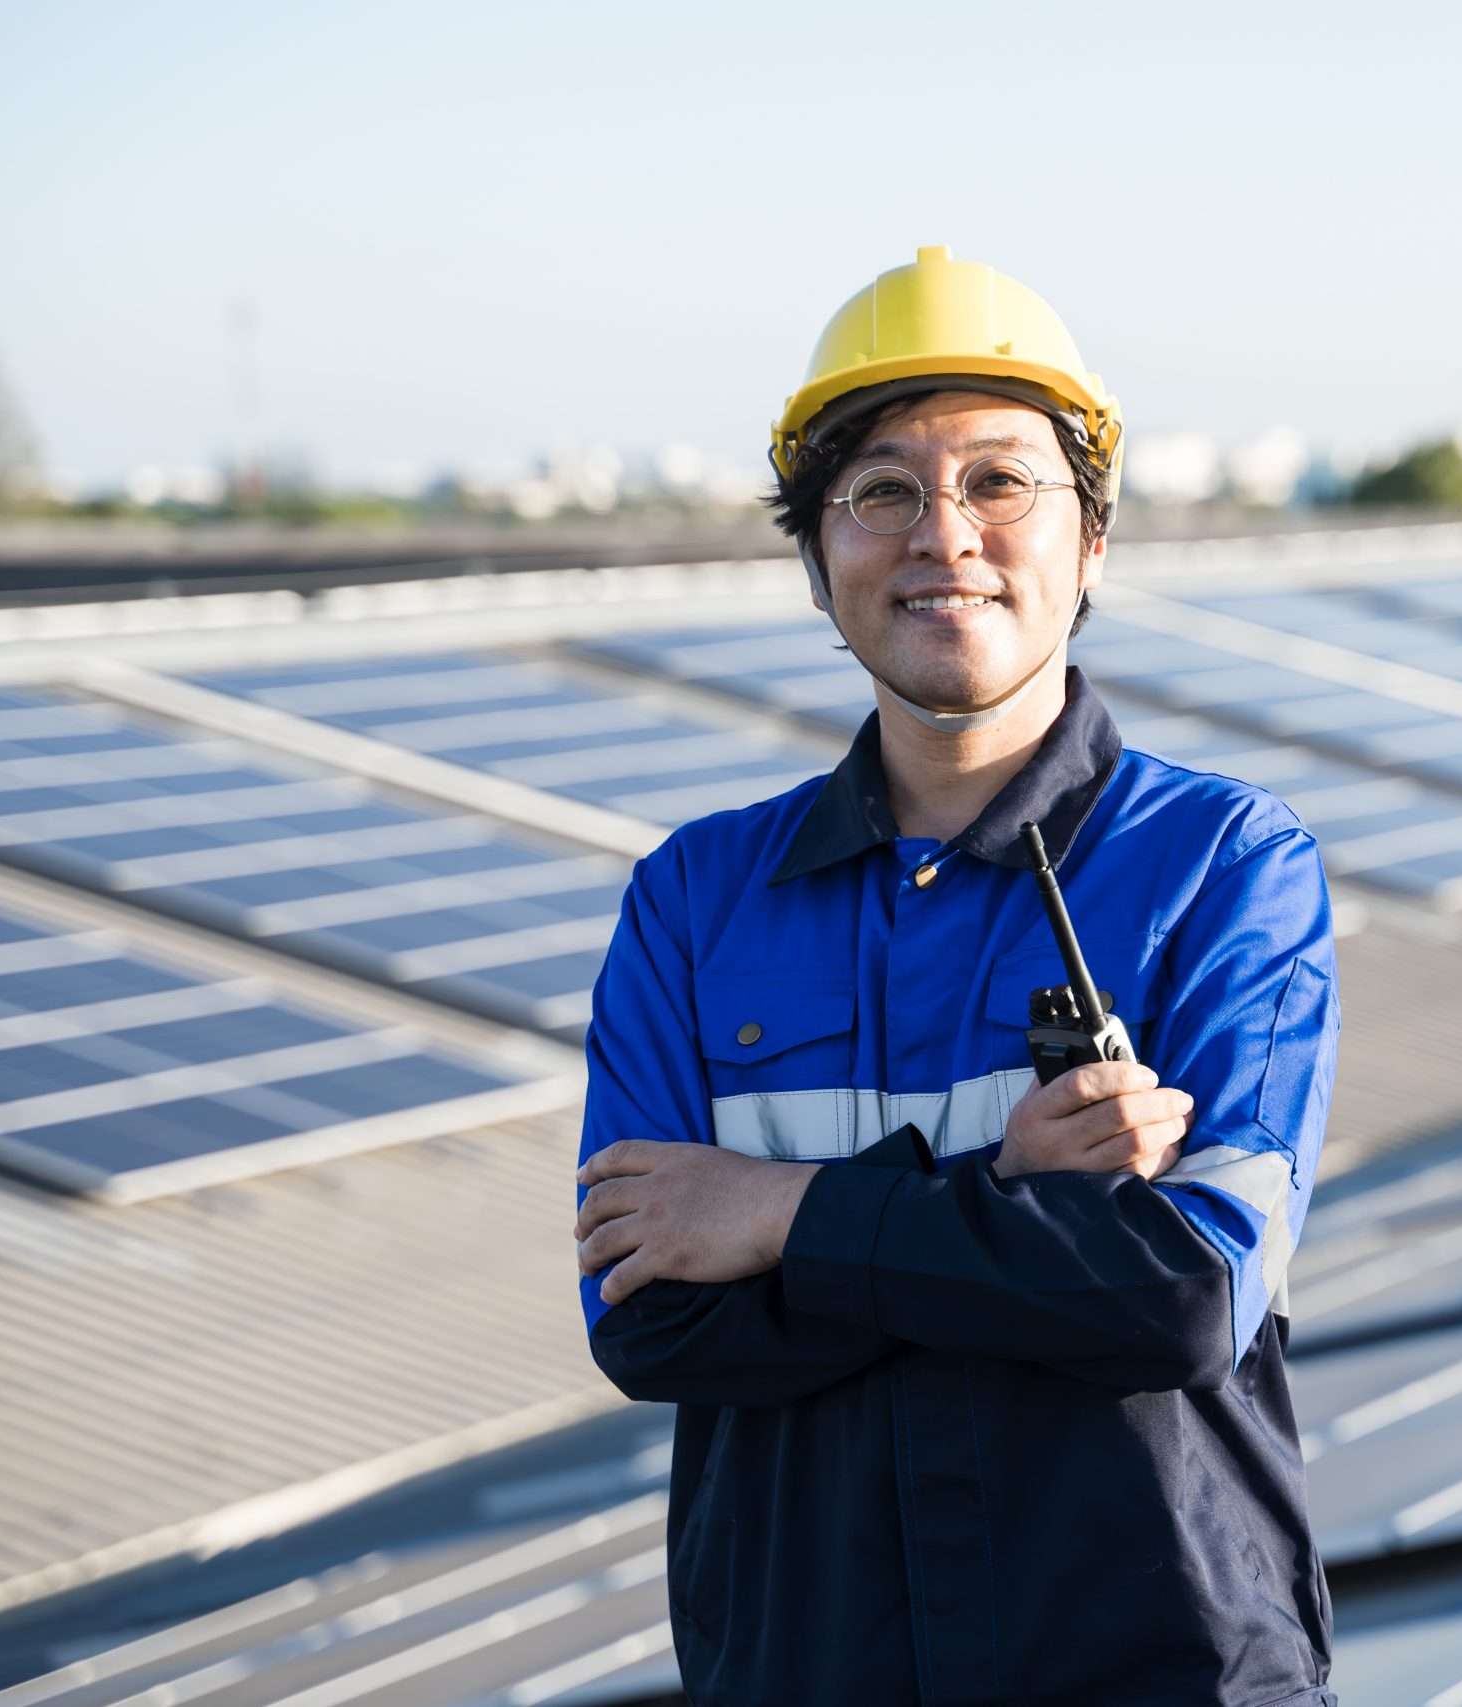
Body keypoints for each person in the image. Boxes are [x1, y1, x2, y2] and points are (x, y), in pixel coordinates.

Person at [574, 246, 1338, 1706]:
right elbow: (654, 1317)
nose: (945, 534)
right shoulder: (695, 900)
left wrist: (781, 1213)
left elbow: (1181, 1299)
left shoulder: (1225, 868)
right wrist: (1009, 1210)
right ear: (817, 557)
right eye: (880, 490)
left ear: (1093, 538)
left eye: (1001, 481)